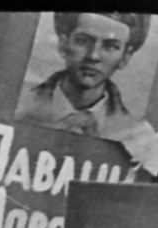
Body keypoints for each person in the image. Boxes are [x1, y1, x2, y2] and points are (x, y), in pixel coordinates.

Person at [15, 11, 150, 139]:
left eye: (110, 46)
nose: (93, 56)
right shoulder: (18, 107)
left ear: (125, 57)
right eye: (82, 41)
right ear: (63, 44)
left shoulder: (136, 135)